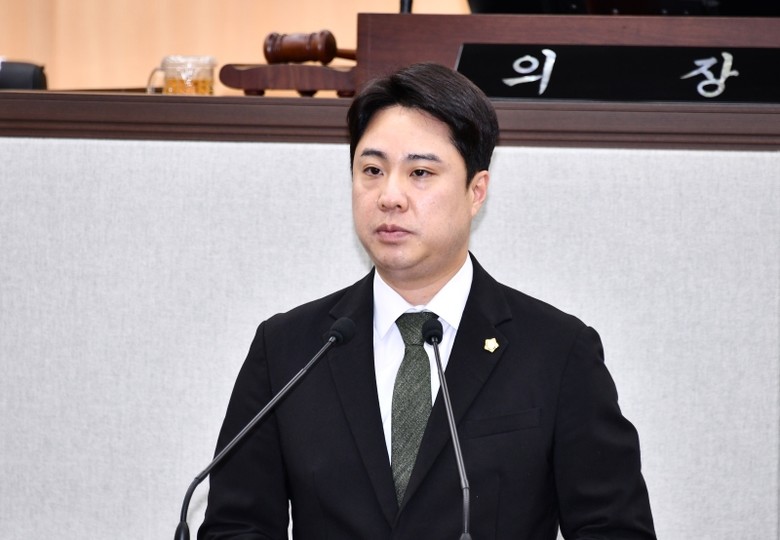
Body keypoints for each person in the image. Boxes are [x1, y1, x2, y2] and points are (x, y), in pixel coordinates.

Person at [198, 62, 656, 539]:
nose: (390, 196)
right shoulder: (289, 349)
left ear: (476, 191)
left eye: (420, 172)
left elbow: (615, 530)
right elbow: (235, 527)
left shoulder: (557, 351)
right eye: (372, 170)